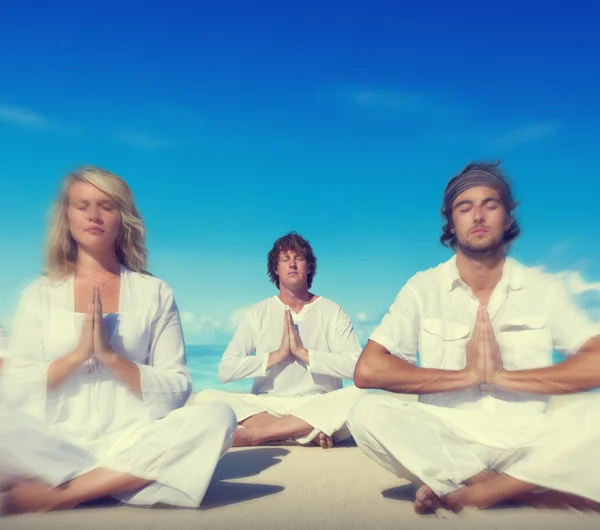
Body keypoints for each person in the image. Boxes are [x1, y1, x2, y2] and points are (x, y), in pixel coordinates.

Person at [347, 162, 600, 514]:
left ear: (508, 219)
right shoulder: (424, 287)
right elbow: (369, 370)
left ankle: (463, 486)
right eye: (465, 208)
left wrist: (503, 377)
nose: (478, 215)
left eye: (490, 205)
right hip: (449, 442)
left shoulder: (543, 287)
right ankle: (515, 490)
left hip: (529, 443)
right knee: (366, 411)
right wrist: (466, 377)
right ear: (451, 224)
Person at [1, 167, 237, 513]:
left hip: (132, 441)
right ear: (66, 217)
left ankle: (63, 493)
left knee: (218, 416)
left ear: (123, 218)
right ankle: (117, 479)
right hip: (54, 444)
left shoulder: (154, 292)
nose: (94, 215)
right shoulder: (40, 294)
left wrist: (111, 357)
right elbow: (15, 384)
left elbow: (178, 385)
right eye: (83, 206)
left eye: (107, 206)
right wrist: (77, 356)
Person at [195, 232, 364, 448]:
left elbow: (357, 368)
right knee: (206, 397)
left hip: (317, 403)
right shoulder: (258, 312)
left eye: (299, 258)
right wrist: (277, 355)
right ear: (276, 268)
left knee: (360, 396)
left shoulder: (332, 311)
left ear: (309, 266)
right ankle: (303, 432)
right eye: (285, 259)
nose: (292, 264)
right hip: (268, 405)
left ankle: (258, 435)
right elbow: (225, 370)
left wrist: (305, 354)